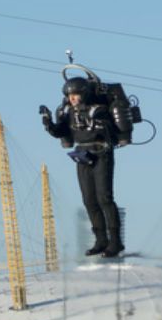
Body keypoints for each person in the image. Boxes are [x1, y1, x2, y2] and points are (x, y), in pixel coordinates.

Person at [41, 76, 124, 258]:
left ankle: (115, 242)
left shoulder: (98, 110)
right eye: (69, 95)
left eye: (75, 94)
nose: (71, 98)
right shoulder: (70, 113)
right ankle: (101, 240)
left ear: (84, 94)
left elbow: (106, 130)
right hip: (83, 157)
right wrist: (49, 124)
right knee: (89, 200)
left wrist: (96, 123)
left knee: (105, 199)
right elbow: (62, 131)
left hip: (101, 154)